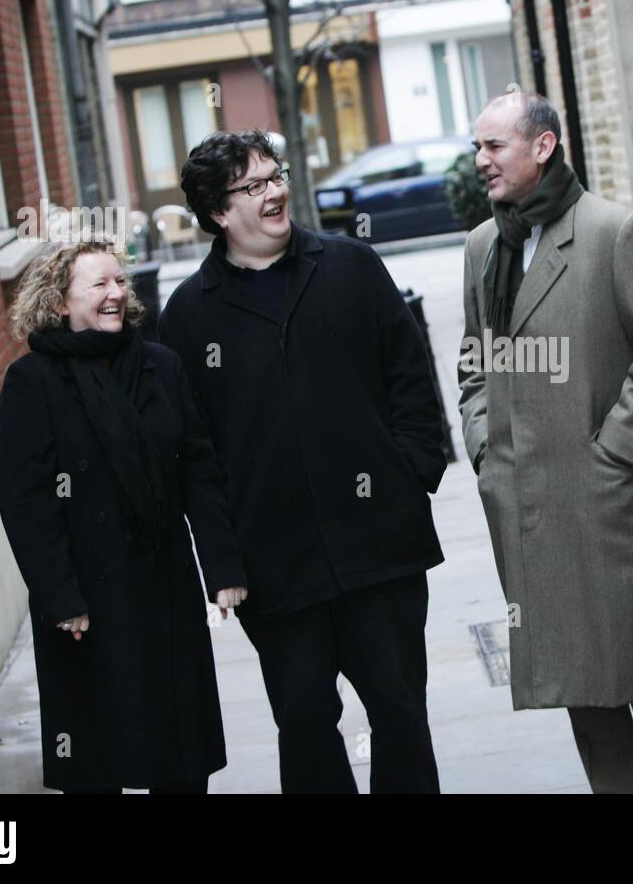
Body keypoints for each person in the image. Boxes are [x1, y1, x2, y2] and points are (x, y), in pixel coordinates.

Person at [161, 130, 447, 794]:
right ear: (216, 213)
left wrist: (411, 475)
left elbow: (412, 380)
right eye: (254, 186)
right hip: (275, 565)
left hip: (382, 549)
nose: (275, 192)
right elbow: (194, 454)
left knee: (402, 712)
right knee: (304, 722)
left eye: (276, 175)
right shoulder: (188, 316)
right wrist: (224, 561)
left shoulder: (349, 265)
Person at [458, 93, 633, 794]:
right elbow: (474, 363)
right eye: (477, 148)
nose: (481, 162)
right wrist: (484, 447)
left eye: (494, 146)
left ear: (543, 146)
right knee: (578, 680)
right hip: (528, 501)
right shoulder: (483, 248)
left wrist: (618, 452)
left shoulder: (613, 233)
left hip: (609, 497)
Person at [0, 234, 248, 794]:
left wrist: (222, 567)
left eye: (119, 281)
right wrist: (60, 598)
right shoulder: (31, 382)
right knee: (98, 754)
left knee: (179, 752)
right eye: (99, 284)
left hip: (164, 584)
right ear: (61, 302)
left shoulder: (160, 366)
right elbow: (27, 502)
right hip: (84, 597)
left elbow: (198, 472)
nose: (115, 293)